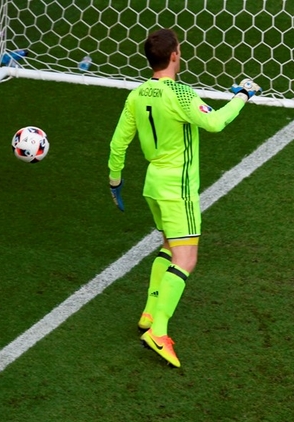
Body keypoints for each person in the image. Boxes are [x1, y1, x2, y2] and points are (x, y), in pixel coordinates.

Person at [107, 28, 262, 367]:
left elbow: (118, 143)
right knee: (186, 259)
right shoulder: (180, 93)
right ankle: (158, 331)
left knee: (168, 246)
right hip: (178, 189)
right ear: (175, 55)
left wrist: (114, 180)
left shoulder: (137, 95)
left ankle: (149, 312)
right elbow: (215, 123)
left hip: (153, 185)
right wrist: (243, 95)